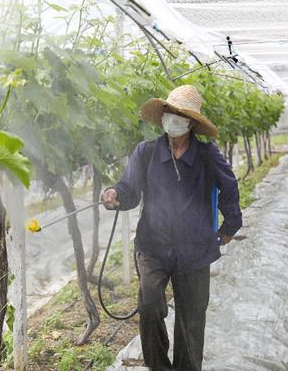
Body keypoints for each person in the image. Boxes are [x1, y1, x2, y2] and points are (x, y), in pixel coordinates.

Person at [101, 85, 242, 371]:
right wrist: (114, 194)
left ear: (191, 122)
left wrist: (230, 225)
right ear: (162, 116)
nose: (172, 119)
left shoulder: (206, 155)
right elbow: (129, 189)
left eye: (180, 115)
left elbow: (229, 185)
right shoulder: (146, 152)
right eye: (169, 113)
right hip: (153, 246)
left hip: (195, 249)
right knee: (150, 305)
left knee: (191, 320)